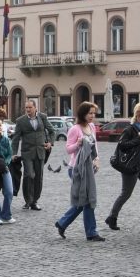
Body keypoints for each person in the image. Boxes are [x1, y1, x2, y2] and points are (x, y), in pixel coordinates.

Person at [55, 101, 105, 242]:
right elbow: (68, 149)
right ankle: (91, 232)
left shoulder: (91, 127)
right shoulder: (75, 129)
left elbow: (94, 146)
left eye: (94, 113)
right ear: (83, 113)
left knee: (85, 200)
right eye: (90, 113)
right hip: (76, 169)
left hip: (89, 168)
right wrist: (77, 144)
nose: (92, 116)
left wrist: (97, 159)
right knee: (87, 200)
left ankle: (63, 223)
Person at [105, 102, 140, 231]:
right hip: (132, 165)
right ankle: (112, 217)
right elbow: (122, 145)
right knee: (126, 193)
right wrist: (138, 139)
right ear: (138, 114)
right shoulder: (130, 129)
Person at [11, 100, 55, 210]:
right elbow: (16, 138)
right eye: (26, 108)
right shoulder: (20, 121)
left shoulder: (42, 117)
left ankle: (35, 201)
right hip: (27, 152)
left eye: (30, 107)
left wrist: (50, 143)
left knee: (38, 177)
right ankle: (28, 200)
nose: (28, 110)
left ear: (35, 108)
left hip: (40, 152)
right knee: (29, 175)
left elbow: (52, 131)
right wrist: (13, 153)